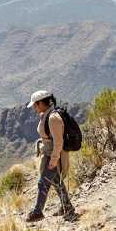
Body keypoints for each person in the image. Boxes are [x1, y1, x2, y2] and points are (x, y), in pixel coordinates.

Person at [24, 90, 78, 223]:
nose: (35, 108)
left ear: (41, 103)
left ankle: (38, 211)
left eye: (35, 105)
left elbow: (58, 142)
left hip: (53, 155)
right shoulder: (46, 115)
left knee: (43, 183)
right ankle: (67, 207)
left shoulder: (53, 118)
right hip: (49, 153)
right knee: (56, 182)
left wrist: (54, 160)